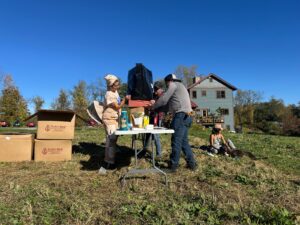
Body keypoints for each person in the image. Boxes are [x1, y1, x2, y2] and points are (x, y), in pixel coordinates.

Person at [149, 74, 198, 172]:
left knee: (176, 141)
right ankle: (192, 164)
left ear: (169, 81)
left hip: (180, 116)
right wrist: (157, 111)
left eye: (166, 84)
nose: (167, 87)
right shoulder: (180, 88)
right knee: (184, 142)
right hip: (187, 116)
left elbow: (163, 99)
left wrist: (152, 107)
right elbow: (167, 106)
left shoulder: (174, 84)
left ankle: (173, 166)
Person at [102, 74, 126, 169]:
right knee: (111, 140)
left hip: (114, 119)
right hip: (109, 119)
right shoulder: (109, 94)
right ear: (110, 86)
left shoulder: (115, 93)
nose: (118, 86)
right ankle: (109, 162)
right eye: (116, 85)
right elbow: (117, 106)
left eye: (118, 84)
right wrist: (125, 100)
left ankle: (111, 158)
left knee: (113, 139)